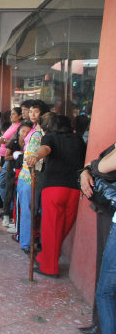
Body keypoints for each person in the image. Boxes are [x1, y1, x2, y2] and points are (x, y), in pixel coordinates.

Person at [25, 114, 85, 277]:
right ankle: (46, 257)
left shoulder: (50, 137)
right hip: (74, 189)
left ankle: (49, 267)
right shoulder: (78, 139)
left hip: (54, 188)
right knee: (63, 227)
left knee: (51, 228)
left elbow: (46, 149)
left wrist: (35, 156)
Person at [79, 143, 116, 334]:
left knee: (106, 290)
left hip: (112, 215)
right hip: (107, 210)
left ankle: (102, 326)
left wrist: (89, 168)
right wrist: (87, 169)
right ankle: (99, 324)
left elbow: (103, 168)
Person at [16, 100, 49, 254]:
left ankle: (27, 241)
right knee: (30, 211)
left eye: (36, 111)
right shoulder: (36, 132)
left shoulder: (39, 132)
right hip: (30, 177)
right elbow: (32, 159)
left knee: (30, 211)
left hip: (28, 177)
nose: (33, 114)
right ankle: (26, 243)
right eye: (31, 111)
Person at [2, 121, 34, 233]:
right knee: (9, 192)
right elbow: (6, 157)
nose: (25, 133)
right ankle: (6, 215)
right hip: (12, 170)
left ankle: (16, 221)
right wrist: (18, 156)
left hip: (24, 172)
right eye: (23, 131)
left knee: (18, 195)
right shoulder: (14, 142)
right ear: (19, 131)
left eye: (28, 131)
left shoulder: (30, 143)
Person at [0, 107, 23, 222]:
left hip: (11, 158)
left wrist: (5, 142)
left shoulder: (19, 127)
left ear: (20, 116)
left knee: (2, 183)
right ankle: (8, 207)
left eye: (13, 114)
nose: (11, 116)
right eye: (11, 114)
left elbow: (16, 142)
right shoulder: (12, 125)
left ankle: (10, 208)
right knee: (3, 183)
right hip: (4, 155)